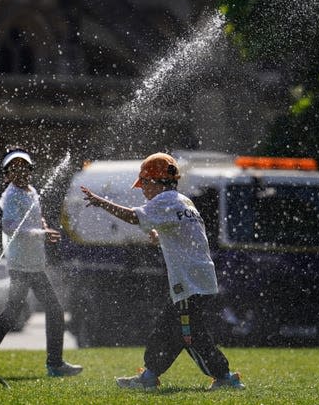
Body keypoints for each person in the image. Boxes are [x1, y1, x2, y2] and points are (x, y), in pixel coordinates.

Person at [80, 152, 244, 391]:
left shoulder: (165, 200)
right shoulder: (182, 201)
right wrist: (161, 236)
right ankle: (148, 376)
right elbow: (185, 235)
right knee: (167, 329)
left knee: (190, 336)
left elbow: (133, 217)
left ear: (154, 181)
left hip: (190, 284)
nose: (143, 190)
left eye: (144, 183)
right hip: (196, 280)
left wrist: (101, 202)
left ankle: (225, 377)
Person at [0, 148, 82, 377]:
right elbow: (10, 225)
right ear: (7, 175)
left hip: (33, 263)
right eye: (14, 168)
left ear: (30, 171)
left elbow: (33, 218)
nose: (20, 171)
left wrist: (44, 227)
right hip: (21, 265)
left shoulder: (31, 191)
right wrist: (40, 234)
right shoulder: (12, 195)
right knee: (48, 310)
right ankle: (53, 364)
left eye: (24, 167)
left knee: (15, 313)